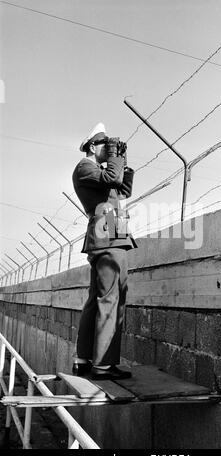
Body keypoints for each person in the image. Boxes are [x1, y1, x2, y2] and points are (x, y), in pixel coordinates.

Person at [72, 122, 137, 380]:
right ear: (92, 146)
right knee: (112, 298)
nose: (109, 148)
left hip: (111, 230)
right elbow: (113, 178)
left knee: (96, 299)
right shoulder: (85, 167)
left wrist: (121, 158)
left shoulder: (100, 173)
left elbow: (122, 189)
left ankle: (83, 360)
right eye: (105, 144)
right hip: (106, 232)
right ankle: (103, 365)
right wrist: (113, 159)